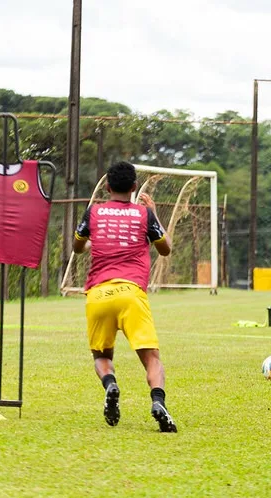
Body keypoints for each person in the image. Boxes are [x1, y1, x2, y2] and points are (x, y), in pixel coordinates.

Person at [73, 161, 177, 432]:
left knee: (101, 354)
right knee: (151, 357)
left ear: (107, 187)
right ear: (133, 187)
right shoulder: (144, 214)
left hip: (98, 293)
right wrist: (154, 213)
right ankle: (158, 401)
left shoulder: (93, 212)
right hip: (131, 293)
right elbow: (166, 249)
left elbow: (77, 245)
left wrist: (91, 239)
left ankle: (111, 384)